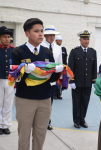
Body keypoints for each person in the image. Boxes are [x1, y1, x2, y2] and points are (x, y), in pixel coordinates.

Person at [11, 18, 63, 150]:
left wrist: (57, 72)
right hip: (25, 99)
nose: (41, 34)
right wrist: (25, 71)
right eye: (36, 31)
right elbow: (14, 77)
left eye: (41, 31)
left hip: (45, 99)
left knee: (40, 134)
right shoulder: (18, 52)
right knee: (24, 134)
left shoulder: (47, 52)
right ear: (27, 33)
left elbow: (51, 79)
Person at [68, 30, 97, 128]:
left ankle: (82, 119)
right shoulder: (74, 51)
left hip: (88, 82)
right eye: (84, 39)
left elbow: (94, 68)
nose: (86, 41)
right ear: (80, 40)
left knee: (85, 101)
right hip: (76, 82)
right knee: (76, 102)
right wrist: (71, 81)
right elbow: (70, 67)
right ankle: (76, 120)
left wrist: (94, 81)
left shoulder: (93, 52)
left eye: (88, 39)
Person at [41, 25, 62, 130]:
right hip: (42, 79)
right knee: (41, 102)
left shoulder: (58, 48)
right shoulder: (40, 46)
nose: (51, 37)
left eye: (53, 35)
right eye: (49, 35)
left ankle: (47, 121)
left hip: (53, 80)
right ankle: (40, 122)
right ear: (45, 36)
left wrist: (59, 78)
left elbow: (60, 64)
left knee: (50, 103)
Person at [0, 26, 14, 135]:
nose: (7, 39)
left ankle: (6, 125)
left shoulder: (13, 50)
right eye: (4, 37)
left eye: (8, 37)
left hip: (10, 80)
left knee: (8, 103)